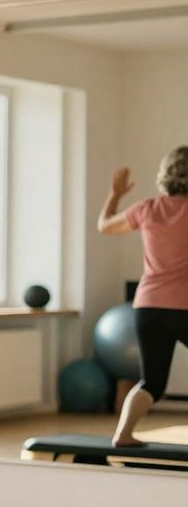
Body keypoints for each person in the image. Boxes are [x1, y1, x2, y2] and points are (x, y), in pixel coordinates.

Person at [98, 147, 188, 447]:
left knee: (152, 382)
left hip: (148, 307)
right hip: (184, 306)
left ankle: (123, 435)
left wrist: (115, 194)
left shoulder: (147, 208)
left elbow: (105, 226)